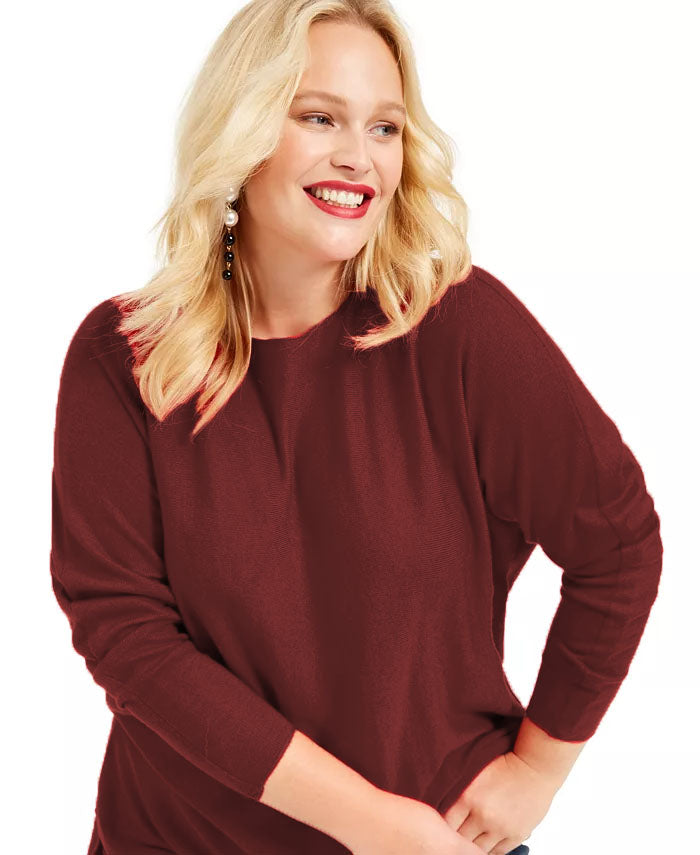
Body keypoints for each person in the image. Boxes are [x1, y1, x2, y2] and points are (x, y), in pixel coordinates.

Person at [49, 1, 663, 854]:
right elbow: (128, 637)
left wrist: (537, 770)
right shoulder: (125, 357)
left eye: (385, 127)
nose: (358, 155)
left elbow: (617, 542)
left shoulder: (456, 328)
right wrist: (372, 823)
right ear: (241, 130)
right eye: (318, 117)